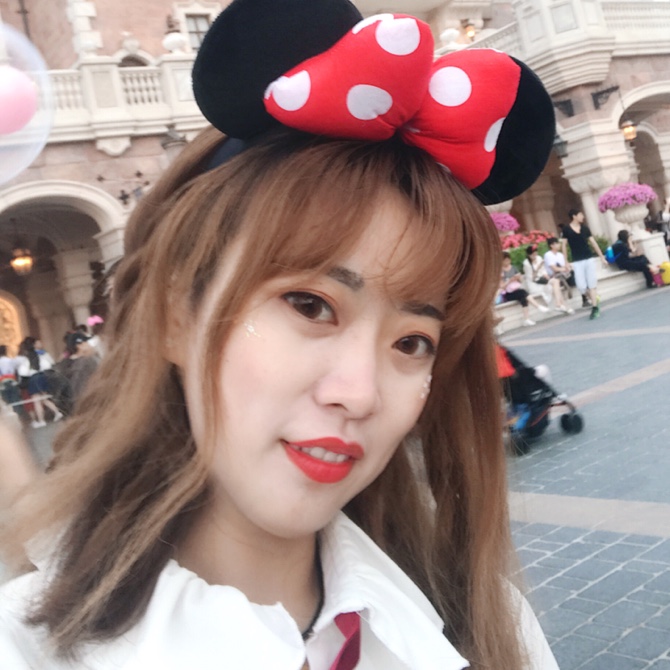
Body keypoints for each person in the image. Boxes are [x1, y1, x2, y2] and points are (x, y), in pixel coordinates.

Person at [0, 2, 559, 668]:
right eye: (310, 305)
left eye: (412, 342)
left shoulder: (485, 633)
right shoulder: (25, 648)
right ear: (176, 313)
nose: (359, 393)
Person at [561, 209, 608, 319]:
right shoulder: (566, 229)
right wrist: (566, 261)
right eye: (580, 214)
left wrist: (602, 257)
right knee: (581, 287)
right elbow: (564, 246)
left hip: (589, 259)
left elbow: (593, 243)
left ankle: (595, 308)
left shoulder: (585, 228)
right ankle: (594, 297)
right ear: (574, 216)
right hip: (577, 261)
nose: (582, 216)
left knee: (592, 284)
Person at [15, 337, 64, 428]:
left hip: (33, 379)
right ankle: (57, 412)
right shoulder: (40, 355)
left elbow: (23, 372)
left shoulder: (26, 359)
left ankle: (41, 421)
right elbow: (48, 365)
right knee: (44, 398)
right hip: (42, 377)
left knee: (36, 401)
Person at [501, 252, 550, 327]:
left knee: (523, 297)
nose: (508, 262)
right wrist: (509, 280)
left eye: (509, 260)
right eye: (506, 260)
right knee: (523, 292)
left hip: (517, 289)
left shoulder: (513, 268)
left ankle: (526, 319)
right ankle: (538, 306)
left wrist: (518, 278)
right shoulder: (500, 272)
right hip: (508, 293)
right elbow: (501, 286)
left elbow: (521, 281)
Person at [523, 244, 574, 314]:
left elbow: (543, 270)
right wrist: (538, 267)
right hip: (535, 284)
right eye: (533, 254)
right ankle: (563, 306)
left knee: (556, 282)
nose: (535, 255)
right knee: (555, 284)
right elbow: (532, 278)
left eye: (535, 252)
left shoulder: (539, 258)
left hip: (542, 279)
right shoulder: (526, 263)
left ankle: (559, 304)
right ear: (529, 255)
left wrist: (546, 275)